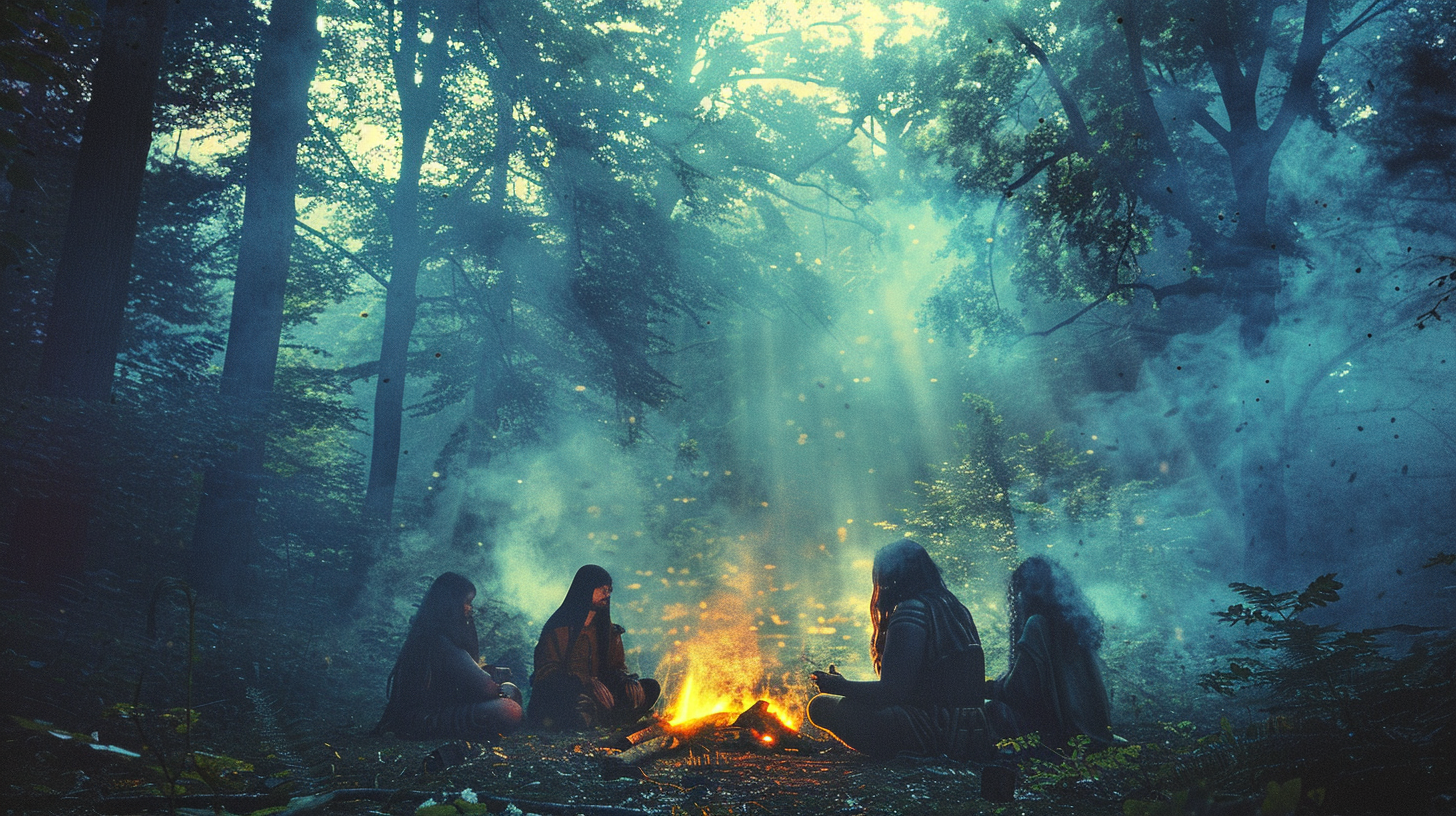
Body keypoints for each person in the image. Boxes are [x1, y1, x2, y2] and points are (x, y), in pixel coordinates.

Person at [808, 539, 994, 759]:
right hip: (973, 730)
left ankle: (911, 751)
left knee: (819, 706)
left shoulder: (912, 611)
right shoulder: (954, 606)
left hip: (933, 731)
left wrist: (841, 686)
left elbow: (893, 692)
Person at [373, 572, 524, 739]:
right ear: (450, 604)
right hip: (422, 719)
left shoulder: (437, 634)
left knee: (511, 694)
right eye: (466, 603)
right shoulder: (438, 639)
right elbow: (485, 687)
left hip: (438, 710)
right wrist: (499, 688)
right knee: (508, 710)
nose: (469, 609)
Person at [985, 555, 1113, 751]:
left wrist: (991, 687)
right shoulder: (1073, 621)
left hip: (1062, 733)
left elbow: (1020, 691)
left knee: (986, 712)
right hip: (1090, 728)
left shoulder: (1037, 624)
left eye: (1027, 586)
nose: (1022, 594)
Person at [528, 564, 660, 729]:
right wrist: (584, 682)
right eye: (602, 589)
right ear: (585, 589)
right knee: (570, 705)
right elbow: (546, 674)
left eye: (609, 590)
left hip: (600, 694)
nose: (607, 594)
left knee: (649, 687)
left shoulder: (608, 631)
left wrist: (627, 681)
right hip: (568, 693)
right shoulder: (557, 628)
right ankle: (587, 718)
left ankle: (609, 719)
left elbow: (616, 667)